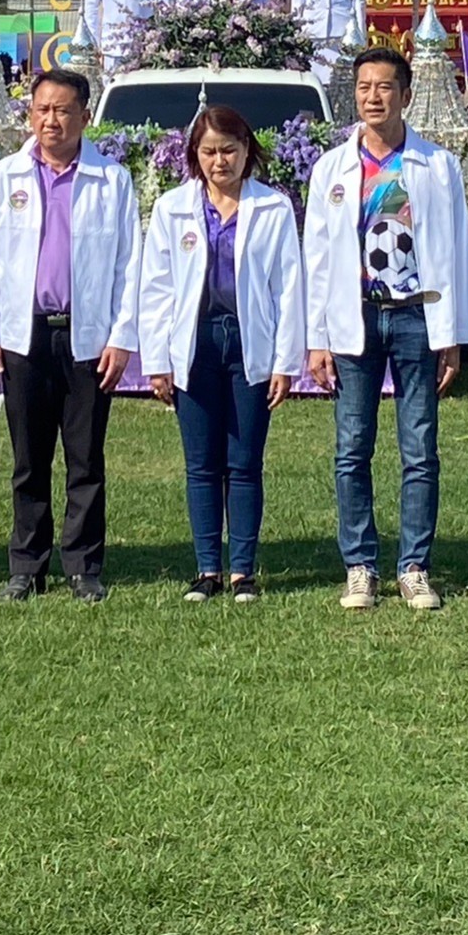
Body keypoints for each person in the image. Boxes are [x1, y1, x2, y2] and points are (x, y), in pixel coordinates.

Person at [303, 47, 468, 613]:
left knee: (419, 448)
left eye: (383, 87)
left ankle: (414, 566)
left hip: (416, 317)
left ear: (405, 95)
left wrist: (453, 334)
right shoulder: (332, 168)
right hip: (354, 316)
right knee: (352, 447)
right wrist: (317, 337)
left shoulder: (435, 165)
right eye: (364, 87)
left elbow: (457, 251)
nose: (372, 97)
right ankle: (360, 566)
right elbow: (317, 258)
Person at [0, 70, 139, 603]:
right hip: (25, 335)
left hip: (87, 337)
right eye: (42, 109)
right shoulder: (7, 175)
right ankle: (27, 564)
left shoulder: (111, 180)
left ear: (85, 117)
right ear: (30, 114)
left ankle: (83, 566)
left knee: (85, 459)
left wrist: (121, 336)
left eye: (62, 110)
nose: (51, 120)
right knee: (29, 458)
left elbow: (128, 264)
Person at [139, 104, 304, 602]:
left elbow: (288, 287)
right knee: (201, 463)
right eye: (209, 152)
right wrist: (157, 361)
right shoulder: (173, 208)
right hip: (195, 342)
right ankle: (208, 568)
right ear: (195, 154)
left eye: (229, 150)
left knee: (245, 461)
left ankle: (242, 571)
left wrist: (285, 362)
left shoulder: (273, 208)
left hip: (250, 341)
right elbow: (157, 288)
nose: (219, 162)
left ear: (246, 151)